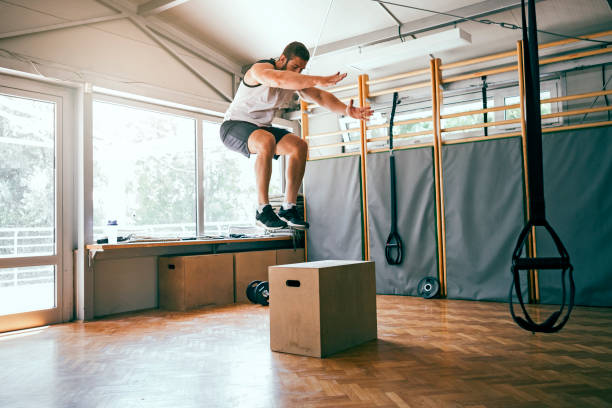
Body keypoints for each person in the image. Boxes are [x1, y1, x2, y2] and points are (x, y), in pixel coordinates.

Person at [220, 41, 373, 230]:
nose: (297, 73)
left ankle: (288, 208)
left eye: (301, 69)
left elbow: (320, 97)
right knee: (265, 140)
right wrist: (317, 78)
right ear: (282, 59)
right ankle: (262, 209)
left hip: (260, 129)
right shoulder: (259, 69)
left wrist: (347, 111)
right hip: (233, 127)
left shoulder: (294, 81)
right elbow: (278, 79)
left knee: (298, 146)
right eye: (294, 67)